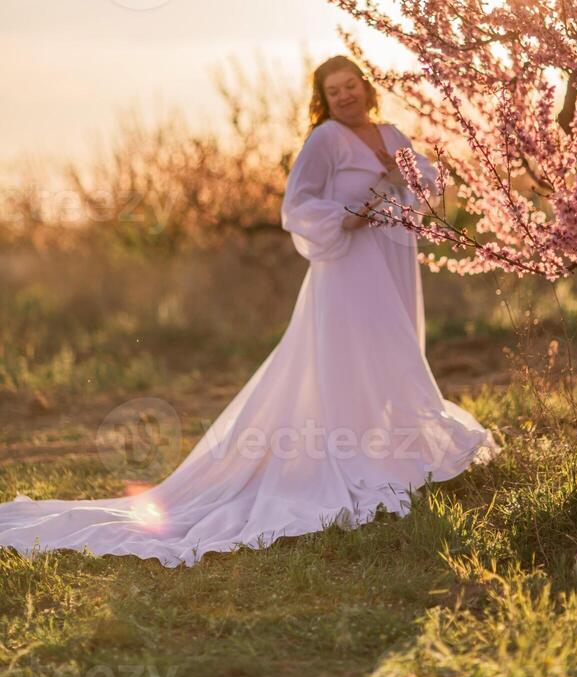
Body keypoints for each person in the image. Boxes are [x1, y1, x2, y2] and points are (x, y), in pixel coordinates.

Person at [0, 55, 500, 567]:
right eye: (334, 91)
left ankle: (396, 447)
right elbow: (296, 205)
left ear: (365, 88)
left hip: (395, 258)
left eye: (351, 86)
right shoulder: (325, 139)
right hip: (349, 269)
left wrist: (408, 173)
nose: (345, 96)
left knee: (396, 347)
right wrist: (345, 217)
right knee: (356, 357)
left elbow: (430, 188)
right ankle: (356, 458)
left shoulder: (393, 132)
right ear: (323, 101)